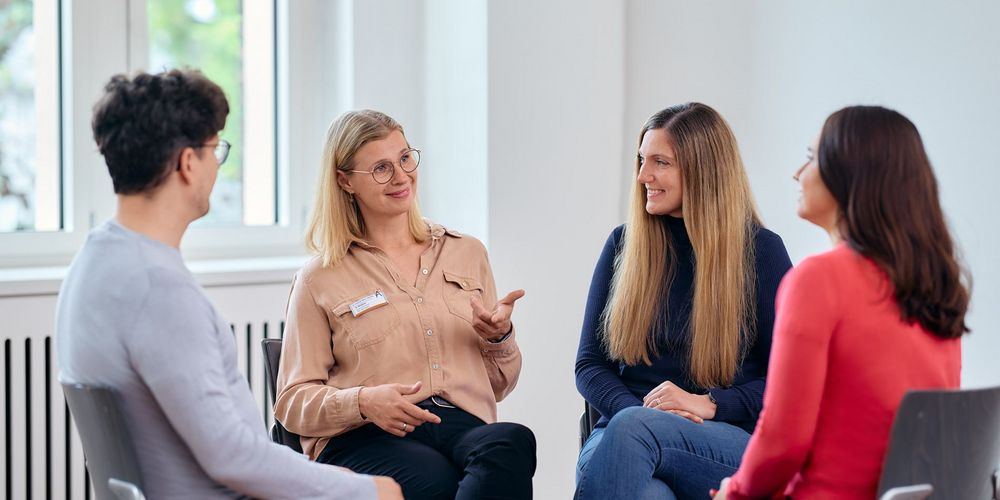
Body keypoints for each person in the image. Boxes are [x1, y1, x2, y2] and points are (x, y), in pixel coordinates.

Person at [55, 69, 401, 500]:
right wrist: (369, 491)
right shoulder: (157, 290)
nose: (215, 168)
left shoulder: (93, 264)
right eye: (214, 151)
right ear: (187, 163)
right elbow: (233, 457)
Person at [274, 109, 537, 500]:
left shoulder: (467, 253)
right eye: (381, 168)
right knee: (438, 479)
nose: (401, 176)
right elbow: (292, 404)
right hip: (364, 437)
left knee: (512, 442)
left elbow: (499, 386)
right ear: (345, 181)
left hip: (458, 424)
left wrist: (500, 339)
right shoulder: (319, 278)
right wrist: (363, 402)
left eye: (404, 158)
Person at [713, 106, 968, 499]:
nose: (798, 173)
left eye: (812, 157)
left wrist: (736, 492)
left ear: (850, 174)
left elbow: (784, 441)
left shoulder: (818, 281)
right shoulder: (938, 286)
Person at [574, 102, 793, 499]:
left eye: (660, 162)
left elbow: (787, 379)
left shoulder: (762, 252)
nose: (643, 176)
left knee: (634, 432)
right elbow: (589, 364)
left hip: (723, 441)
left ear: (703, 170)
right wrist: (638, 411)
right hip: (622, 431)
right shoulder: (623, 245)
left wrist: (708, 403)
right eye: (642, 160)